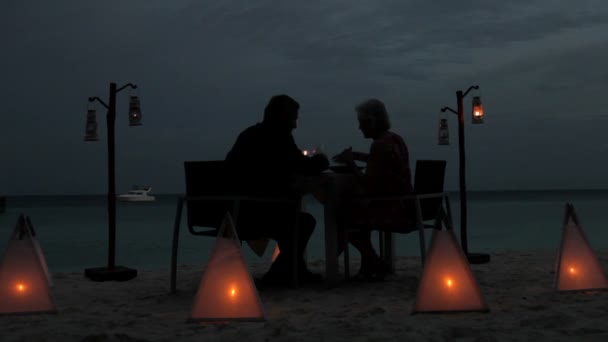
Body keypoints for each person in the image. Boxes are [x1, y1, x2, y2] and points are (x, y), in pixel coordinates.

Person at [225, 94, 329, 286]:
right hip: (256, 213)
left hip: (233, 213)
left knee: (292, 217)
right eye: (293, 119)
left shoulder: (248, 135)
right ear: (280, 117)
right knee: (303, 222)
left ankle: (290, 270)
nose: (295, 125)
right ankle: (281, 273)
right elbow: (301, 164)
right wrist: (322, 161)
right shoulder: (278, 138)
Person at [332, 98, 414, 281]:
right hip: (405, 204)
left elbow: (368, 184)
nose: (359, 128)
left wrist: (351, 164)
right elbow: (382, 163)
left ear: (372, 122)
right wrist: (356, 156)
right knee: (355, 209)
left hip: (392, 209)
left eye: (362, 123)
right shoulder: (394, 139)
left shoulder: (380, 144)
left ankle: (372, 260)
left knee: (343, 214)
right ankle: (370, 262)